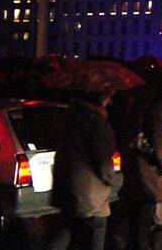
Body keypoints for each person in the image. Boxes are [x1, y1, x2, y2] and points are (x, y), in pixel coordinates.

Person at [49, 90, 116, 250]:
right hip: (91, 192)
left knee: (68, 233)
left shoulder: (69, 115)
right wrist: (109, 178)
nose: (110, 100)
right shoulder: (95, 120)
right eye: (108, 96)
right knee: (94, 238)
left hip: (68, 187)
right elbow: (102, 157)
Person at [120, 96, 162, 250]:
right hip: (148, 167)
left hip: (134, 167)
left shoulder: (134, 108)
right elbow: (159, 136)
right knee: (148, 203)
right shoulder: (156, 110)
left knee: (138, 207)